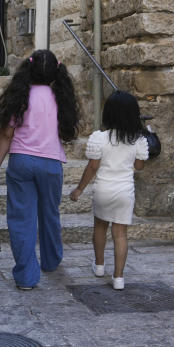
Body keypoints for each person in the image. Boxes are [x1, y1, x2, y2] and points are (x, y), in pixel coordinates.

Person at [0, 49, 79, 290]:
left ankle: (26, 276)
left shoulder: (21, 96)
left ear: (28, 68)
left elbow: (6, 134)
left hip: (22, 162)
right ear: (56, 71)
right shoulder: (61, 97)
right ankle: (51, 260)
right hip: (51, 164)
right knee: (50, 214)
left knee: (21, 219)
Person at [69, 90, 150, 290]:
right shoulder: (138, 140)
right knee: (120, 234)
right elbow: (139, 167)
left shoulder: (100, 138)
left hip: (103, 189)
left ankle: (98, 266)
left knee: (100, 227)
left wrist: (79, 189)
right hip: (125, 192)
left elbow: (93, 167)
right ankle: (119, 278)